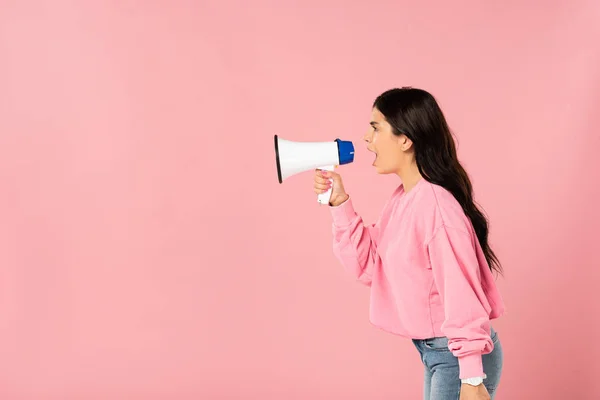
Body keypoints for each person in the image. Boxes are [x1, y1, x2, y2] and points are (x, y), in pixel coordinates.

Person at [313, 87, 505, 400]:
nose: (366, 138)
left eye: (376, 128)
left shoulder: (436, 207)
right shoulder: (404, 200)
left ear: (405, 139)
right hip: (437, 353)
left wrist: (471, 378)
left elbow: (460, 291)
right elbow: (369, 267)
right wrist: (340, 203)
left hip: (458, 358)